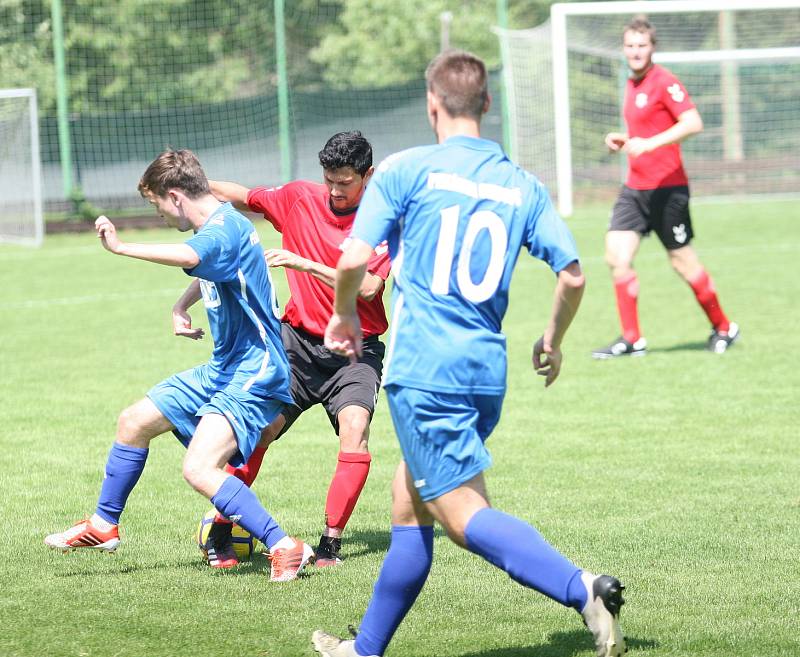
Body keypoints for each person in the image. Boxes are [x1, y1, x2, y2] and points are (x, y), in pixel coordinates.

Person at [313, 51, 626, 657]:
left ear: (432, 105)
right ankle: (364, 650)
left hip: (425, 369)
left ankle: (583, 589)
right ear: (487, 105)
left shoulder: (407, 170)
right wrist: (551, 341)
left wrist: (345, 312)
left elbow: (352, 258)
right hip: (485, 370)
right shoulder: (521, 184)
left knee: (459, 513)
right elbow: (574, 276)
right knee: (410, 505)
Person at [44, 148, 314, 582]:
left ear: (175, 196)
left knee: (199, 469)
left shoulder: (218, 233)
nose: (162, 216)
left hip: (255, 369)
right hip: (223, 368)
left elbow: (192, 256)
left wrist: (120, 247)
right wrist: (181, 303)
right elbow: (212, 269)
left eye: (157, 207)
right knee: (133, 421)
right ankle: (103, 525)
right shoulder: (222, 219)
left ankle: (286, 546)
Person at [202, 131, 391, 568]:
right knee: (257, 431)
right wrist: (192, 185)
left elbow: (368, 286)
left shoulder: (382, 221)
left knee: (355, 428)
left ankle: (330, 545)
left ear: (368, 176)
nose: (335, 191)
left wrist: (304, 263)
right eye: (329, 180)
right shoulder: (298, 198)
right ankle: (220, 530)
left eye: (345, 182)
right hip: (296, 347)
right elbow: (244, 196)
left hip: (355, 353)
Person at [592, 15, 738, 358]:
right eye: (630, 46)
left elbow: (693, 122)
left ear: (652, 48)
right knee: (616, 255)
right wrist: (623, 140)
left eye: (642, 46)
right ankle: (632, 339)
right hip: (635, 189)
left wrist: (651, 144)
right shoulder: (631, 85)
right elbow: (644, 132)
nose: (635, 52)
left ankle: (723, 327)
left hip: (668, 189)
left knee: (683, 263)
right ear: (623, 49)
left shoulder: (664, 81)